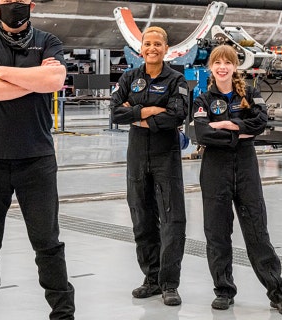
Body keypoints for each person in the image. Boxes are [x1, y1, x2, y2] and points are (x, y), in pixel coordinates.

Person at [0, 0, 75, 319]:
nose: (15, 4)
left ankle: (63, 313)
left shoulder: (48, 42)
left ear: (32, 4)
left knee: (47, 242)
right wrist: (31, 78)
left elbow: (53, 82)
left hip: (36, 159)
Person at [193, 45, 282, 316]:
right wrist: (239, 132)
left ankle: (278, 293)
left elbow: (261, 122)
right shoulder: (203, 99)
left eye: (228, 62)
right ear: (211, 67)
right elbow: (201, 134)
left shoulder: (250, 94)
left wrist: (227, 125)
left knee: (257, 232)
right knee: (217, 234)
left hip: (246, 169)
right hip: (215, 171)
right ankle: (224, 291)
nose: (223, 67)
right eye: (218, 63)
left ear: (235, 66)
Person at [110, 26, 188, 306]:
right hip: (137, 158)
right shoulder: (130, 77)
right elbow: (115, 111)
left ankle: (169, 283)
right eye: (147, 44)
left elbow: (177, 114)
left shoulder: (176, 79)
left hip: (165, 157)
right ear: (140, 49)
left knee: (171, 220)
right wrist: (149, 110)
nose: (152, 48)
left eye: (157, 44)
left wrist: (137, 116)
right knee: (142, 220)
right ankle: (151, 278)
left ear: (166, 49)